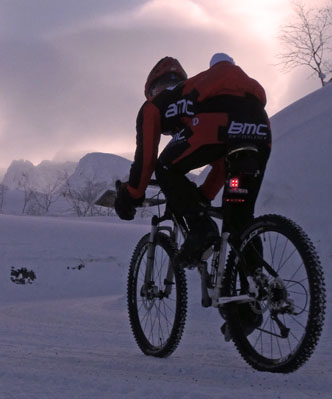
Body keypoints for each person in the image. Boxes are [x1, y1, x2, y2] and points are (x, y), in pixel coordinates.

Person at [114, 54, 271, 268]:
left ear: (152, 90)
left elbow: (146, 160)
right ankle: (250, 292)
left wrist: (130, 196)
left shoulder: (153, 106)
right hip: (260, 127)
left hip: (216, 123)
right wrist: (202, 197)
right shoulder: (197, 94)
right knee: (239, 219)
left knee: (165, 167)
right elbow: (220, 164)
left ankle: (201, 230)